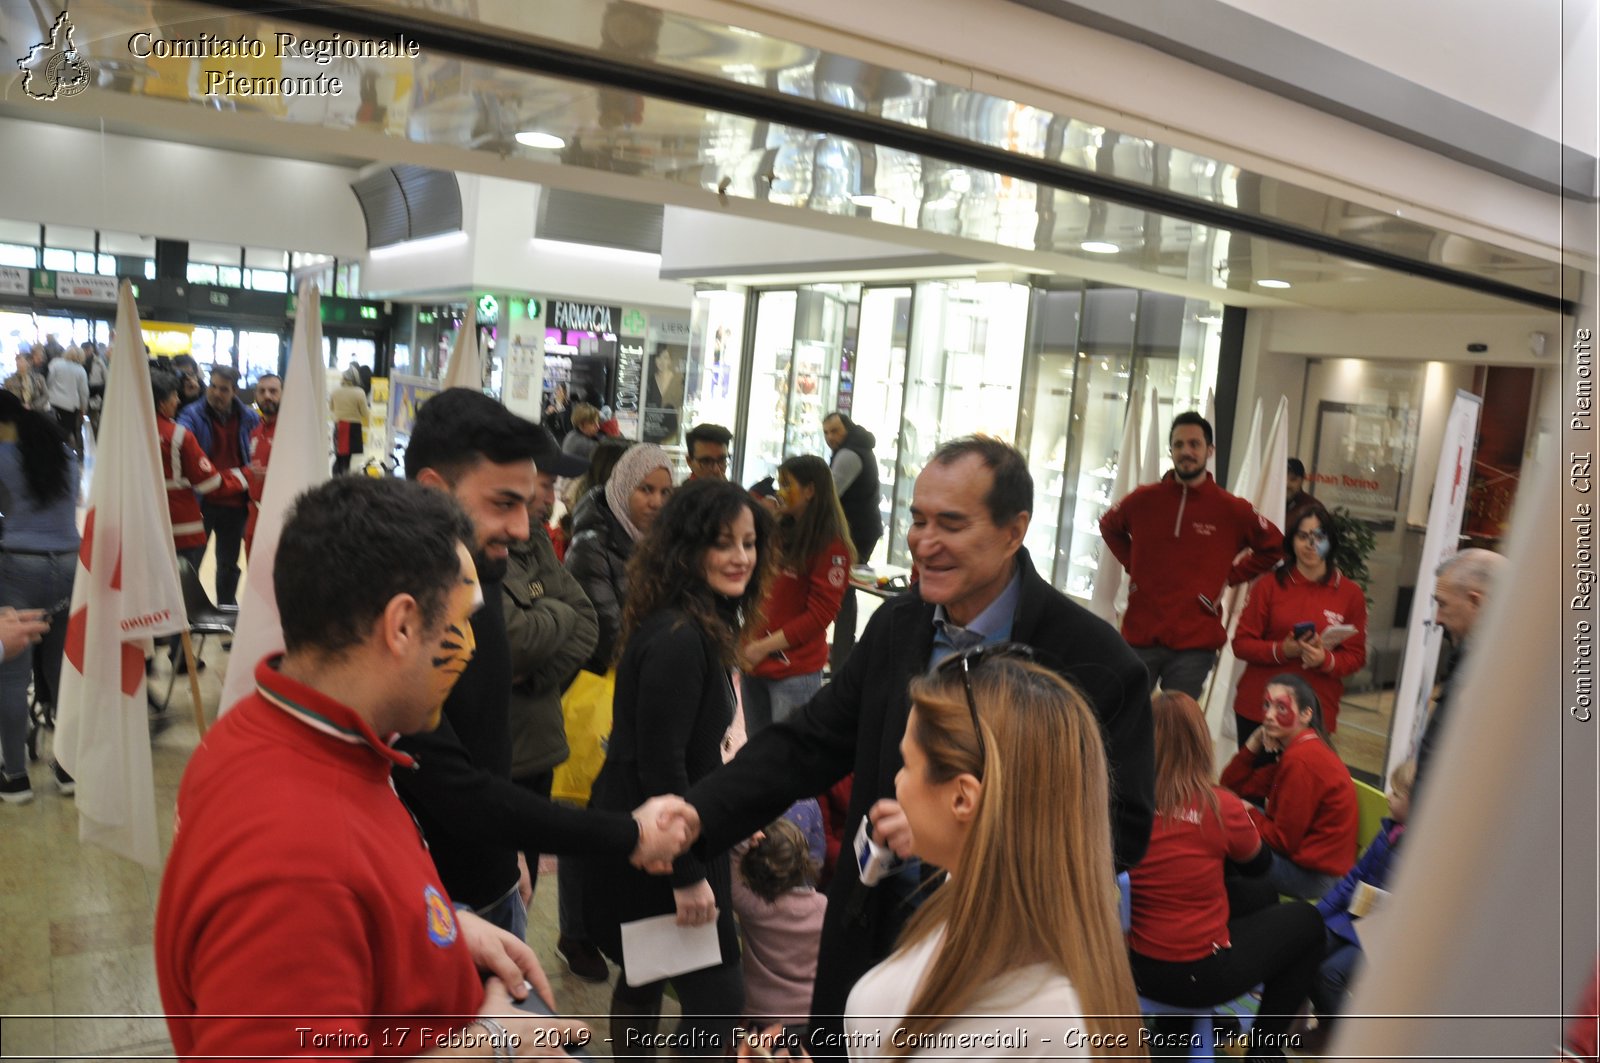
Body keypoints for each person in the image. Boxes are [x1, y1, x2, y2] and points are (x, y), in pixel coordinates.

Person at [679, 436, 1154, 1056]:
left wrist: (965, 839)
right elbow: (809, 740)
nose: (923, 542)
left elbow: (1122, 829)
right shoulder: (899, 626)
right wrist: (697, 815)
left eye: (950, 524)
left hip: (998, 959)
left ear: (1015, 531)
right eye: (917, 519)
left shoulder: (1095, 663)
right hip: (872, 928)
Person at [154, 475, 589, 1059]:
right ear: (403, 625)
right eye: (461, 622)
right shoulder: (289, 857)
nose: (471, 645)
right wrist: (497, 1042)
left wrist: (440, 925)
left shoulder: (281, 730)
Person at [396, 389, 691, 938]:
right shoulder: (398, 617)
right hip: (432, 906)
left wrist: (506, 858)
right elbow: (452, 783)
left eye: (527, 501)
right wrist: (627, 835)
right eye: (502, 503)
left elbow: (583, 625)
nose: (521, 525)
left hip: (490, 880)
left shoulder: (478, 574)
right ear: (434, 492)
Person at [842, 647, 1144, 1059]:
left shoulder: (1047, 1022)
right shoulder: (977, 895)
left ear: (963, 798)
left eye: (907, 764)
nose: (897, 781)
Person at [585, 479, 774, 1056]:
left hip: (667, 837)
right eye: (723, 543)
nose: (740, 556)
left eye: (748, 542)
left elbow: (696, 750)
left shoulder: (699, 623)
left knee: (647, 976)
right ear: (687, 550)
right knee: (716, 995)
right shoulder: (680, 636)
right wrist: (687, 869)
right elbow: (658, 766)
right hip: (662, 845)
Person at [1127, 691, 1326, 1061]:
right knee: (1308, 921)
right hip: (1197, 976)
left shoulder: (1124, 805)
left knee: (1258, 897)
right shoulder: (1219, 806)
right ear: (1201, 743)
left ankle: (1176, 1029)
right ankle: (1263, 1052)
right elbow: (1260, 866)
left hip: (1130, 966)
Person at [1099, 411, 1283, 697]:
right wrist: (1132, 563)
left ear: (1209, 451)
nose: (1186, 451)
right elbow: (1109, 526)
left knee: (1178, 730)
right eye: (1179, 445)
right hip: (1140, 635)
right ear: (1170, 450)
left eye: (1194, 444)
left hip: (1195, 644)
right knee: (1126, 720)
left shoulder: (1231, 509)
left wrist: (1231, 576)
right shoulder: (1143, 499)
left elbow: (1274, 545)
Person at [503, 425, 597, 876]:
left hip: (541, 741)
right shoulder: (485, 547)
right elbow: (513, 640)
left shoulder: (538, 537)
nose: (553, 495)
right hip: (503, 752)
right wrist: (555, 614)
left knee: (526, 878)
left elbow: (588, 625)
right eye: (546, 484)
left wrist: (536, 676)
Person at [0, 389, 81, 803]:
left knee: (13, 675)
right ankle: (68, 769)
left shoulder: (2, 456)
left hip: (18, 568)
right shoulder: (64, 454)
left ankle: (14, 776)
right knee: (61, 670)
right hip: (69, 568)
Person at [1231, 502, 1368, 744]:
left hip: (1314, 713)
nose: (1311, 544)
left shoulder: (1350, 594)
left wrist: (1325, 660)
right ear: (1292, 542)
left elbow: (1356, 656)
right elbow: (1241, 644)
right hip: (1261, 709)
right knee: (1252, 781)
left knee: (1303, 781)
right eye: (1303, 536)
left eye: (1319, 536)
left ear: (1331, 541)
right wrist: (1282, 650)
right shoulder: (1268, 585)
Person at [740, 454, 853, 733]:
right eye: (779, 483)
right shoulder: (779, 531)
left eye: (787, 484)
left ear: (811, 490)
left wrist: (763, 647)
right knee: (757, 756)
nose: (779, 491)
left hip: (793, 673)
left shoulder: (831, 545)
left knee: (787, 761)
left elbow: (820, 615)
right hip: (754, 664)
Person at [1221, 674, 1358, 899]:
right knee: (1224, 817)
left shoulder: (1301, 760)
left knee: (1223, 837)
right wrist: (1254, 745)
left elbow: (1283, 841)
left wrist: (1250, 813)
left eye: (1281, 708)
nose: (1268, 716)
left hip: (1313, 877)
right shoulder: (1298, 749)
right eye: (1266, 705)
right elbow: (1231, 787)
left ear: (1306, 714)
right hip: (1303, 858)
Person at [1311, 759, 1415, 1023]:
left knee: (1329, 975)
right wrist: (1317, 914)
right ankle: (1324, 1026)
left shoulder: (1421, 850)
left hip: (1383, 935)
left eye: (1397, 793)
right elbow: (1354, 878)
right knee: (1306, 951)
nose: (1388, 796)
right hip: (1354, 919)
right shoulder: (1387, 833)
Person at [564, 443, 673, 674]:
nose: (657, 503)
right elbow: (610, 639)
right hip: (606, 680)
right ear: (624, 487)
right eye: (646, 489)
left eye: (665, 492)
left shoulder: (660, 543)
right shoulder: (591, 547)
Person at [1414, 548, 1506, 796]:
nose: (1437, 618)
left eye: (1442, 604)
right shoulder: (1470, 659)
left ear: (1476, 601)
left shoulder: (1503, 677)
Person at [731, 817, 828, 1030]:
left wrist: (745, 840)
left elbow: (731, 862)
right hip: (809, 1015)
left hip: (760, 1015)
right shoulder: (824, 907)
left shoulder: (751, 905)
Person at [177, 366, 260, 606]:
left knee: (228, 563)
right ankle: (187, 612)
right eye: (212, 386)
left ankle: (225, 609)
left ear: (234, 391)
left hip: (235, 503)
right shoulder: (191, 415)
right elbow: (186, 450)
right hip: (201, 501)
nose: (215, 392)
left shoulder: (249, 418)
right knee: (192, 561)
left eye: (223, 389)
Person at [822, 412, 883, 672]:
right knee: (844, 588)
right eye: (826, 433)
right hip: (861, 530)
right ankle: (842, 653)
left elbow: (830, 495)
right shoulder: (859, 448)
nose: (830, 438)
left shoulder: (849, 454)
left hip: (855, 533)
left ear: (847, 429)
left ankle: (842, 658)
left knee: (842, 589)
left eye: (834, 431)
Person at [243, 373, 281, 556]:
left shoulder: (290, 430)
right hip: (254, 515)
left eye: (273, 391)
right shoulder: (255, 432)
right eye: (262, 391)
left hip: (280, 518)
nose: (267, 396)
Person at [45, 344, 89, 459]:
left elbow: (49, 381)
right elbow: (83, 392)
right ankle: (61, 456)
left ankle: (50, 454)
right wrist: (83, 408)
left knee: (51, 429)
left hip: (53, 403)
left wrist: (49, 394)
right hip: (70, 407)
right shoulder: (81, 371)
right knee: (65, 432)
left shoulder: (56, 364)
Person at [330, 365, 370, 475]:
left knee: (339, 457)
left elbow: (331, 408)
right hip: (353, 427)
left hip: (339, 426)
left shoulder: (335, 391)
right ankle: (343, 481)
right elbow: (365, 413)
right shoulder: (359, 392)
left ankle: (336, 478)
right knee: (347, 460)